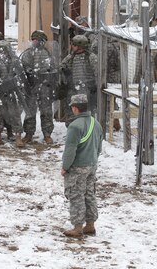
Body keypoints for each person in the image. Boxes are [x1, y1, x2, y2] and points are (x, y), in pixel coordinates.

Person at [61, 94, 103, 238]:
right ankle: (90, 225)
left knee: (76, 195)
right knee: (89, 194)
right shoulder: (95, 123)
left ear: (75, 108)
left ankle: (77, 228)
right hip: (92, 165)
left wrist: (65, 167)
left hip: (77, 166)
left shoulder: (75, 126)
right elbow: (99, 147)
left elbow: (70, 150)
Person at [20, 30, 57, 144]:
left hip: (45, 86)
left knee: (46, 111)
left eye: (37, 40)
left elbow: (53, 67)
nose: (35, 42)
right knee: (30, 111)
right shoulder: (27, 53)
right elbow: (23, 67)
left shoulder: (48, 54)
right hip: (31, 86)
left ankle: (47, 134)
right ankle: (29, 133)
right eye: (34, 39)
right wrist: (29, 72)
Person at [0, 40, 26, 147]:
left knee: (15, 114)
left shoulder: (15, 60)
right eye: (0, 49)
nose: (2, 52)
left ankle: (18, 137)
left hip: (12, 92)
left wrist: (14, 82)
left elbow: (20, 74)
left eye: (4, 49)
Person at [60, 35, 98, 123]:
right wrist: (65, 71)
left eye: (73, 45)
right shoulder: (71, 57)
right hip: (73, 89)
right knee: (72, 112)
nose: (71, 46)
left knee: (87, 112)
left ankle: (87, 132)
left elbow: (97, 73)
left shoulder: (91, 57)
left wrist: (94, 86)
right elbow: (61, 66)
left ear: (79, 46)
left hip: (87, 89)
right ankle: (73, 131)